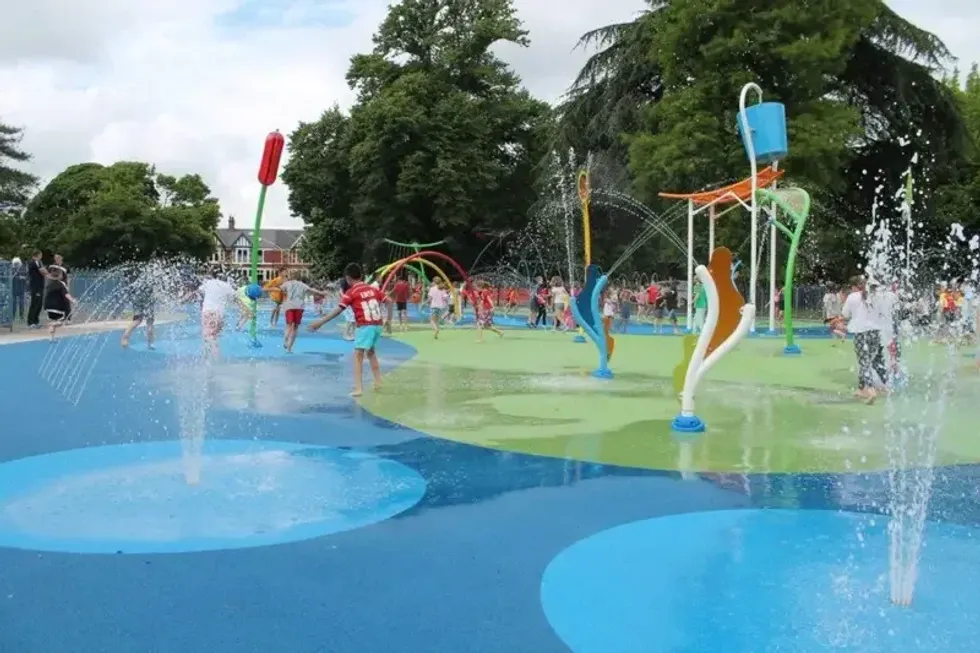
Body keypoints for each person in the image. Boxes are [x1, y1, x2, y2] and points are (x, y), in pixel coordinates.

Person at [308, 263, 390, 396]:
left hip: (365, 325)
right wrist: (389, 320)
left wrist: (320, 322)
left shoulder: (351, 292)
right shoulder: (373, 289)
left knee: (358, 356)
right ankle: (378, 382)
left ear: (347, 278)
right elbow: (389, 301)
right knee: (371, 353)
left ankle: (358, 388)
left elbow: (338, 310)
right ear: (361, 276)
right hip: (377, 325)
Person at [842, 275, 887, 404]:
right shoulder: (877, 297)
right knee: (873, 360)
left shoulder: (852, 297)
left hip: (861, 334)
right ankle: (864, 388)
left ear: (855, 287)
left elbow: (845, 314)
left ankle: (870, 390)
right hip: (875, 333)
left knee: (864, 362)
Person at [192, 270, 248, 358]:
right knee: (213, 336)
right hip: (219, 315)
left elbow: (198, 292)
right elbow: (237, 299)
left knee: (208, 337)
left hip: (208, 312)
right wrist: (245, 310)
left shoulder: (209, 283)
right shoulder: (227, 286)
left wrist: (184, 299)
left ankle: (214, 360)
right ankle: (209, 357)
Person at [278, 270, 329, 352]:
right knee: (295, 327)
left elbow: (278, 289)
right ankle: (289, 348)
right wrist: (322, 293)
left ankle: (286, 339)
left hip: (289, 306)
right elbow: (312, 290)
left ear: (290, 276)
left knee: (288, 325)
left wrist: (266, 289)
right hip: (299, 307)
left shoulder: (287, 283)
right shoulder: (302, 284)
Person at [121, 273, 156, 349]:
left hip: (137, 297)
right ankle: (150, 343)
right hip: (148, 299)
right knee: (149, 323)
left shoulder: (136, 277)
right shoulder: (150, 276)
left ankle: (125, 337)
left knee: (137, 320)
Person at [43, 268, 75, 339]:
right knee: (60, 322)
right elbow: (66, 294)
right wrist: (72, 300)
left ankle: (51, 338)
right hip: (57, 307)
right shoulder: (60, 284)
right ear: (59, 276)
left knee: (53, 320)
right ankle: (52, 325)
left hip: (48, 307)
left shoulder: (48, 283)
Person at [26, 250, 47, 329]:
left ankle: (36, 321)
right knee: (34, 304)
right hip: (35, 287)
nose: (41, 257)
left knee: (39, 304)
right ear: (37, 255)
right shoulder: (33, 262)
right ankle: (30, 322)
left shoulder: (39, 262)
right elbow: (42, 271)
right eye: (40, 255)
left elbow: (43, 270)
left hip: (40, 286)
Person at [10, 257, 26, 322]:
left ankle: (21, 316)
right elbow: (10, 278)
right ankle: (13, 316)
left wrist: (19, 277)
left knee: (21, 304)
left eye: (17, 263)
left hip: (21, 289)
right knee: (13, 304)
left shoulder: (23, 269)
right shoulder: (11, 269)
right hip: (13, 289)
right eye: (15, 264)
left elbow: (26, 277)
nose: (16, 265)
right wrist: (15, 275)